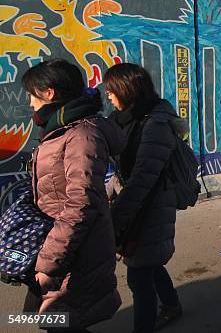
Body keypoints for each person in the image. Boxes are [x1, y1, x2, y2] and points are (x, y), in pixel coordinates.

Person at [21, 59, 124, 332]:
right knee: (56, 321)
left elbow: (80, 203)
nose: (30, 103)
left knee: (62, 322)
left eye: (32, 95)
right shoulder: (60, 130)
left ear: (48, 92)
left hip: (76, 253)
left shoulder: (81, 135)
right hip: (62, 247)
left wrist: (48, 263)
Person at [103, 63, 185, 332]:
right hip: (138, 205)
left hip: (151, 206)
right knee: (148, 264)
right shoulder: (126, 119)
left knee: (139, 276)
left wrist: (114, 222)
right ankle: (172, 305)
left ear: (128, 90)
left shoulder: (155, 124)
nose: (108, 96)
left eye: (112, 90)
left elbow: (141, 180)